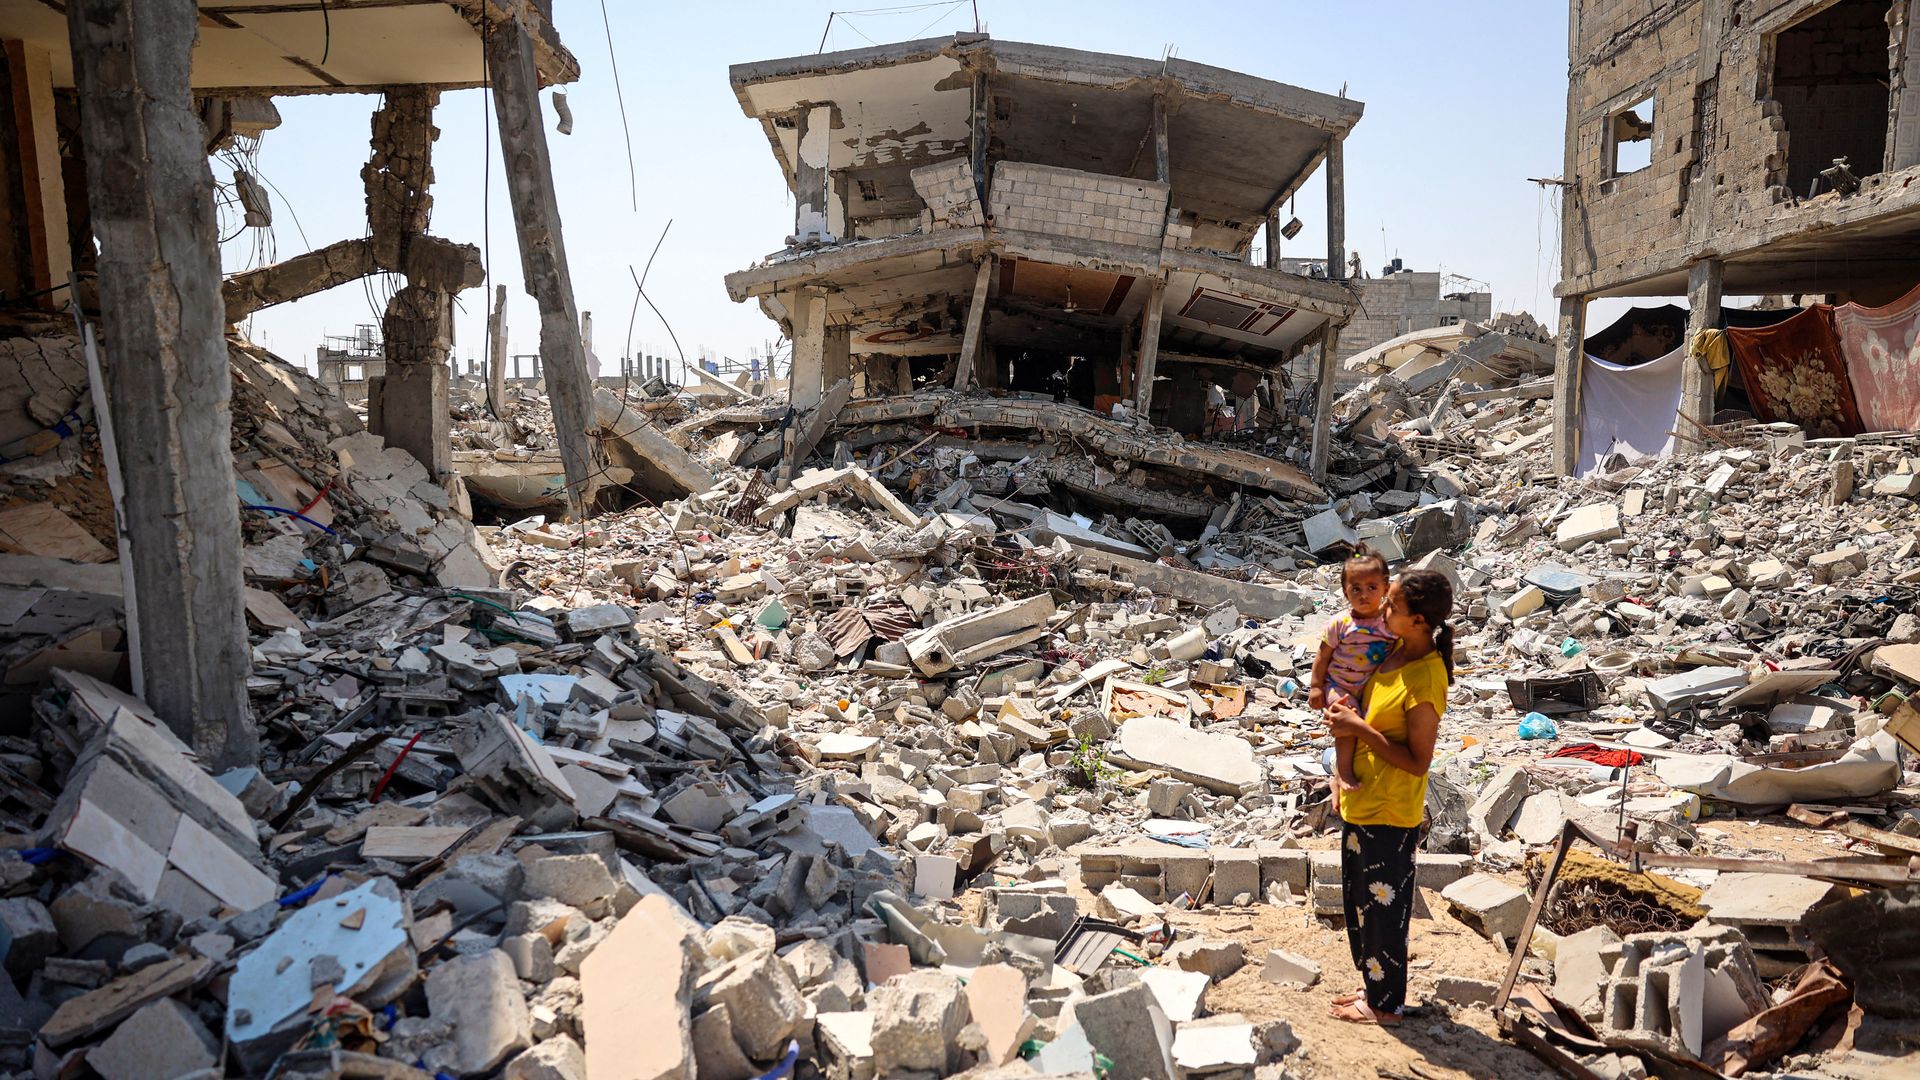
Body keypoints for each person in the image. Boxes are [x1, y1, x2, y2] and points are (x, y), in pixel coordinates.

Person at [1323, 569, 1455, 1025]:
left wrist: (1358, 729)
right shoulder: (1394, 650)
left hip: (1391, 809)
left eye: (1393, 607)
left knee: (1385, 910)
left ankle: (1386, 1005)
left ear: (1419, 620)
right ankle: (1373, 989)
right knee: (1362, 907)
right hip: (1364, 800)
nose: (1382, 610)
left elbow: (1419, 761)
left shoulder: (1426, 678)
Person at [1309, 547, 1395, 793]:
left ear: (1385, 589)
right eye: (1356, 589)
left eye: (1371, 587)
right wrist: (1316, 688)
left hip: (1373, 688)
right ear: (1346, 592)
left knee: (1378, 724)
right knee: (1346, 724)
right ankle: (1343, 771)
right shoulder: (1340, 623)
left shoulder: (1389, 622)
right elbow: (1322, 656)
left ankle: (1379, 768)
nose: (1364, 595)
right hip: (1341, 686)